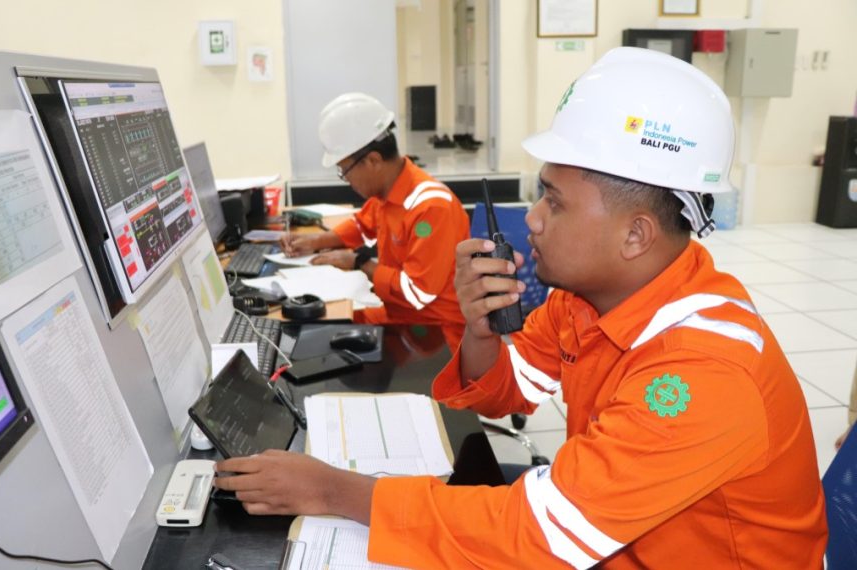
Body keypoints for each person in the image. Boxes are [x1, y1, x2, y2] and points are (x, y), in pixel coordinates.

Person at [215, 48, 827, 568]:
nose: (531, 220)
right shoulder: (589, 299)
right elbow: (509, 390)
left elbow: (542, 535)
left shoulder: (705, 373)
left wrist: (333, 491)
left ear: (635, 234)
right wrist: (481, 329)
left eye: (554, 203)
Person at [281, 93, 469, 349]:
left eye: (345, 170)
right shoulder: (388, 192)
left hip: (433, 334)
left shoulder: (431, 208)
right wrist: (314, 241)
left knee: (321, 342)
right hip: (400, 315)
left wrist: (359, 262)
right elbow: (362, 226)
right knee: (314, 329)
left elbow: (417, 292)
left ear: (373, 161)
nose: (346, 179)